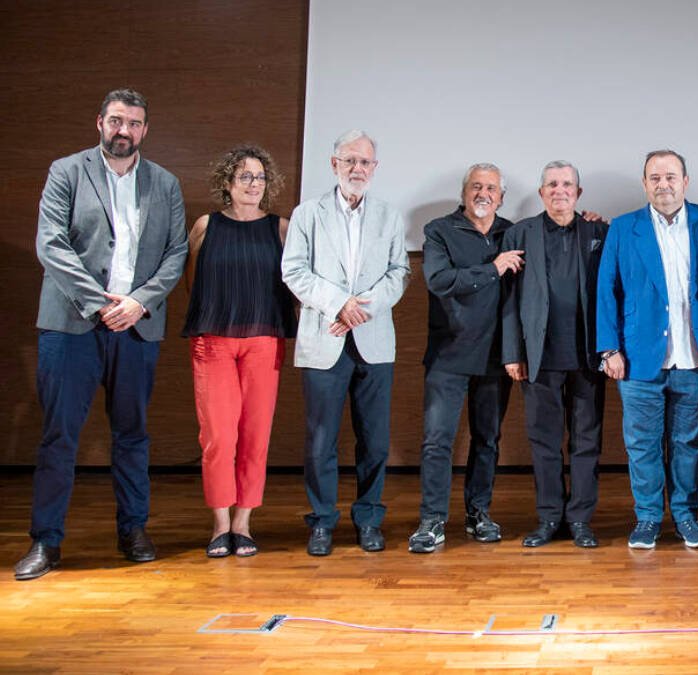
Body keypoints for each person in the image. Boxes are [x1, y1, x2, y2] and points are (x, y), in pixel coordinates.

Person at [15, 88, 188, 581]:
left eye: (133, 123)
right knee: (59, 436)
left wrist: (138, 302)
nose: (123, 130)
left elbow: (176, 253)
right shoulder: (67, 171)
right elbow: (51, 244)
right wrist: (99, 303)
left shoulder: (165, 183)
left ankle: (133, 529)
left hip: (137, 326)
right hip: (73, 325)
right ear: (99, 123)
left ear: (145, 131)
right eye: (116, 121)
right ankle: (45, 542)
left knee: (132, 435)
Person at [281, 130, 409, 556]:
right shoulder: (307, 214)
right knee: (322, 439)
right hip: (324, 339)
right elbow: (294, 271)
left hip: (373, 341)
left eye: (366, 163)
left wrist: (361, 310)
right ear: (333, 164)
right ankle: (321, 521)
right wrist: (339, 305)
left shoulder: (389, 216)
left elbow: (399, 273)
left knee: (374, 439)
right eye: (350, 161)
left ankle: (369, 516)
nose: (358, 169)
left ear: (375, 169)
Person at [596, 149, 698, 550]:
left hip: (695, 355)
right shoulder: (623, 228)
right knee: (642, 444)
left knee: (689, 443)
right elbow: (606, 290)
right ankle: (649, 518)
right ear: (644, 184)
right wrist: (608, 349)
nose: (663, 184)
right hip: (638, 358)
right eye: (654, 178)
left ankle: (687, 517)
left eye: (670, 176)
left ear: (685, 182)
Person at [183, 145, 297, 558]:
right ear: (227, 182)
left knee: (255, 436)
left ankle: (243, 524)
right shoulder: (204, 227)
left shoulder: (281, 229)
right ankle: (219, 525)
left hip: (265, 341)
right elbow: (191, 282)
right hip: (212, 341)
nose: (254, 184)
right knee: (217, 436)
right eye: (245, 177)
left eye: (260, 178)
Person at [409, 163, 518, 554]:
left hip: (495, 359)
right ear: (464, 193)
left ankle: (479, 513)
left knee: (487, 439)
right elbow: (440, 282)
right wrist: (492, 270)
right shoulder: (439, 231)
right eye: (476, 186)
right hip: (449, 355)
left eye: (491, 188)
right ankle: (432, 520)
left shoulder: (512, 233)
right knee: (437, 441)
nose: (483, 193)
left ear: (501, 197)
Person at [501, 161, 608, 549]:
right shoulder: (519, 233)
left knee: (586, 441)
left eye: (567, 184)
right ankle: (548, 517)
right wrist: (512, 352)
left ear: (578, 194)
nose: (559, 190)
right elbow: (509, 299)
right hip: (537, 357)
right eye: (551, 184)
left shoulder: (600, 231)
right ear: (542, 191)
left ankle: (580, 519)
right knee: (543, 442)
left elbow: (612, 293)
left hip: (587, 356)